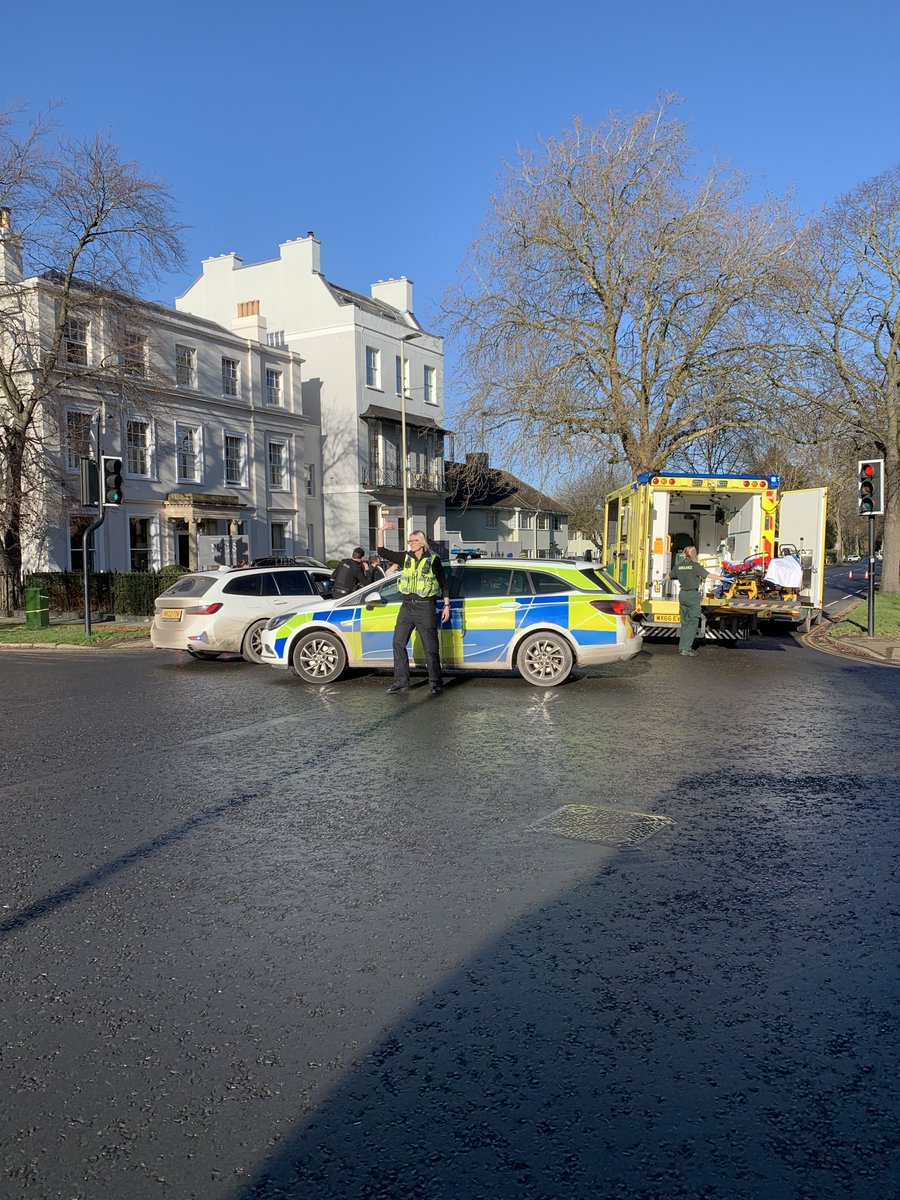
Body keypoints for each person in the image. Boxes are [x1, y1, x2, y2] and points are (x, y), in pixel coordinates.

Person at [377, 525, 450, 695]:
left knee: (430, 647)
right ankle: (400, 682)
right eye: (409, 541)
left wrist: (447, 606)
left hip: (426, 606)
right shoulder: (405, 557)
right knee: (398, 643)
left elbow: (443, 583)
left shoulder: (433, 560)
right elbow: (382, 551)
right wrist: (381, 531)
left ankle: (435, 682)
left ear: (422, 542)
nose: (410, 544)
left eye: (413, 541)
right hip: (407, 606)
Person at [665, 544, 719, 657]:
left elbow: (668, 576)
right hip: (692, 595)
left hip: (682, 595)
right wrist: (724, 578)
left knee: (685, 623)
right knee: (693, 622)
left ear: (684, 553)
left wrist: (662, 580)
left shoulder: (679, 565)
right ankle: (686, 648)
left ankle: (682, 647)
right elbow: (709, 575)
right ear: (694, 554)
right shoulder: (695, 566)